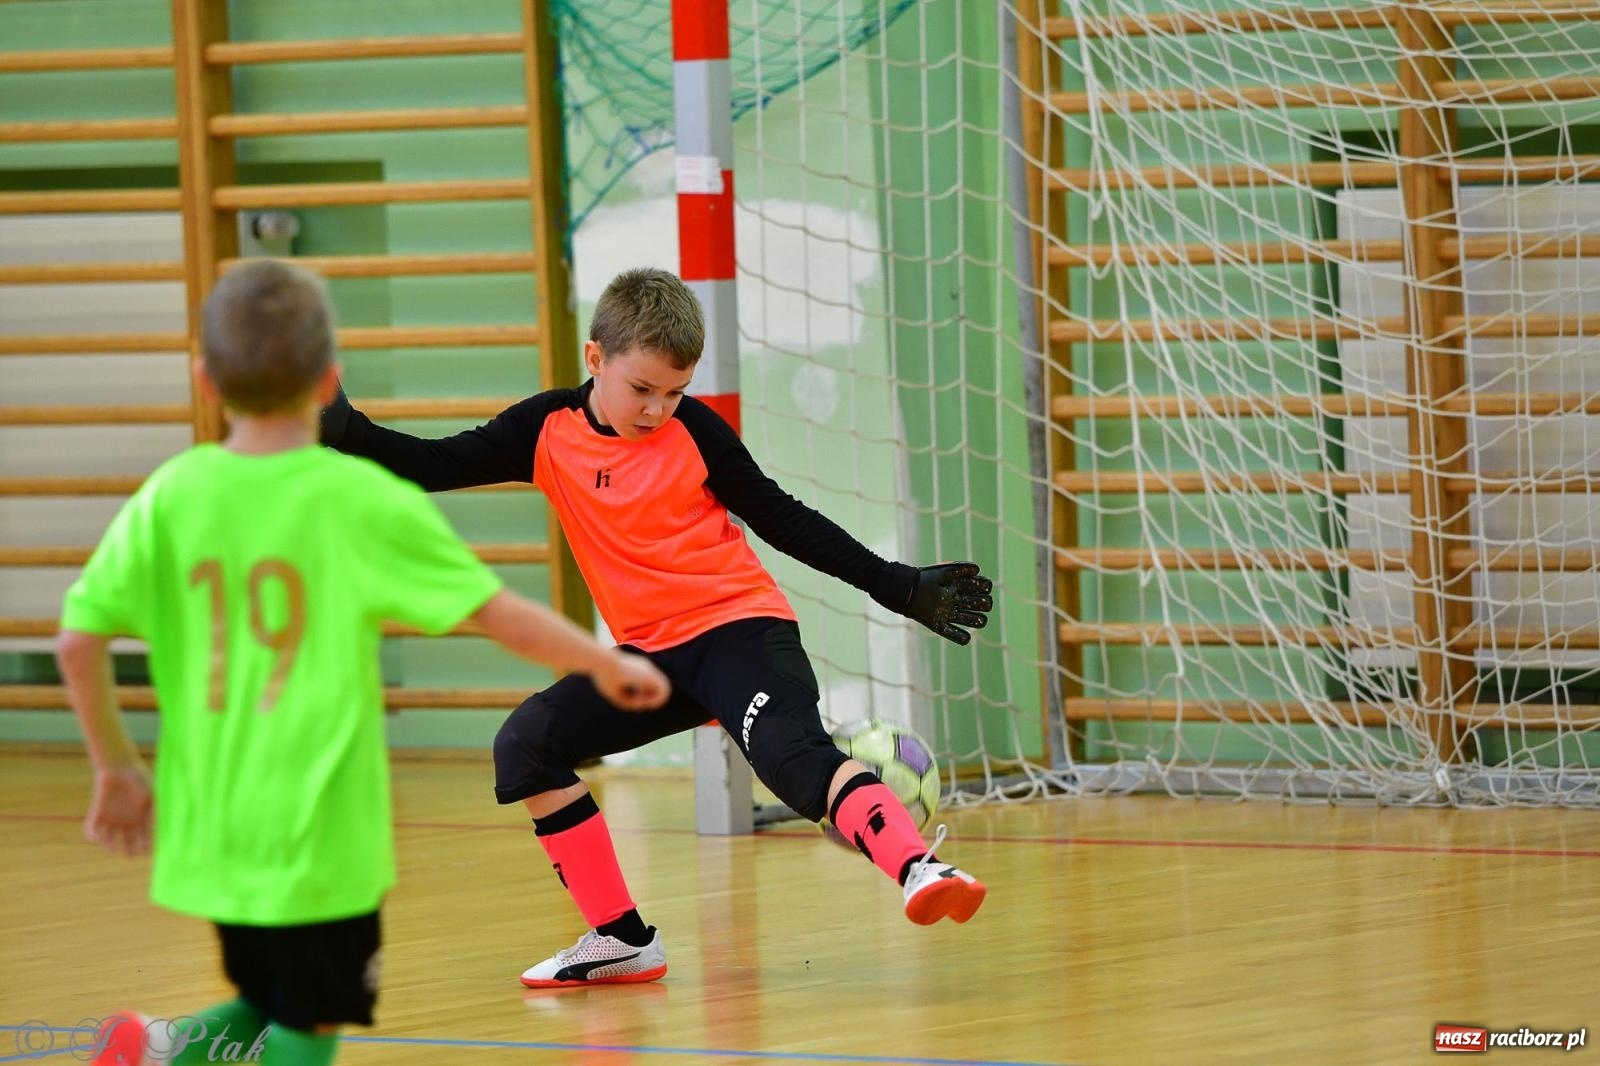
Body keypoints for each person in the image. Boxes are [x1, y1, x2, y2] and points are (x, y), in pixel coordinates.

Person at [58, 260, 671, 1065]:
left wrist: (114, 768)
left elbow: (77, 639)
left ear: (206, 380)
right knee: (312, 1022)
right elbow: (497, 614)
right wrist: (600, 661)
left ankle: (161, 1049)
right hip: (319, 820)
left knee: (276, 989)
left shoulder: (174, 493)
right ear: (330, 380)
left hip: (212, 816)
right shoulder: (355, 501)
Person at [321, 266, 994, 990]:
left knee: (791, 758)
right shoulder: (545, 430)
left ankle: (920, 866)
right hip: (651, 658)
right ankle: (621, 938)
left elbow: (782, 518)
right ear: (595, 360)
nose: (657, 409)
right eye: (642, 389)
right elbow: (431, 464)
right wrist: (343, 427)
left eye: (674, 392)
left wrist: (893, 583)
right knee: (525, 745)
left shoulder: (696, 433)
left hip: (740, 631)